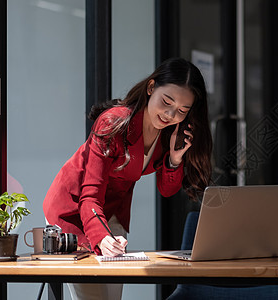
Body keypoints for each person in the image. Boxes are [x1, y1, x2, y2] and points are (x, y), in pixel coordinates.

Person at [43, 57, 212, 300]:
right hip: (73, 210)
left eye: (182, 111)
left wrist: (174, 160)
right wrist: (101, 236)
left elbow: (166, 190)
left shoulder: (169, 135)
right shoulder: (114, 122)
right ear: (151, 88)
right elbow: (89, 194)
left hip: (111, 213)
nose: (170, 114)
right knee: (93, 297)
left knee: (112, 297)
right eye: (167, 102)